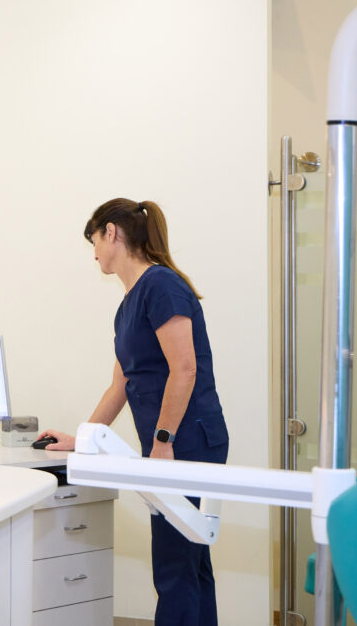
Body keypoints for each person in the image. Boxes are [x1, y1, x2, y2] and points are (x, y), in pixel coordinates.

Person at [38, 198, 229, 626]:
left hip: (188, 440)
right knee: (190, 563)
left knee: (175, 566)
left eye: (94, 241)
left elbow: (185, 369)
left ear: (112, 233)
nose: (93, 254)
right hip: (171, 441)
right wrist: (82, 437)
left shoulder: (161, 286)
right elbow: (120, 385)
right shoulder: (128, 304)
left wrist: (163, 442)